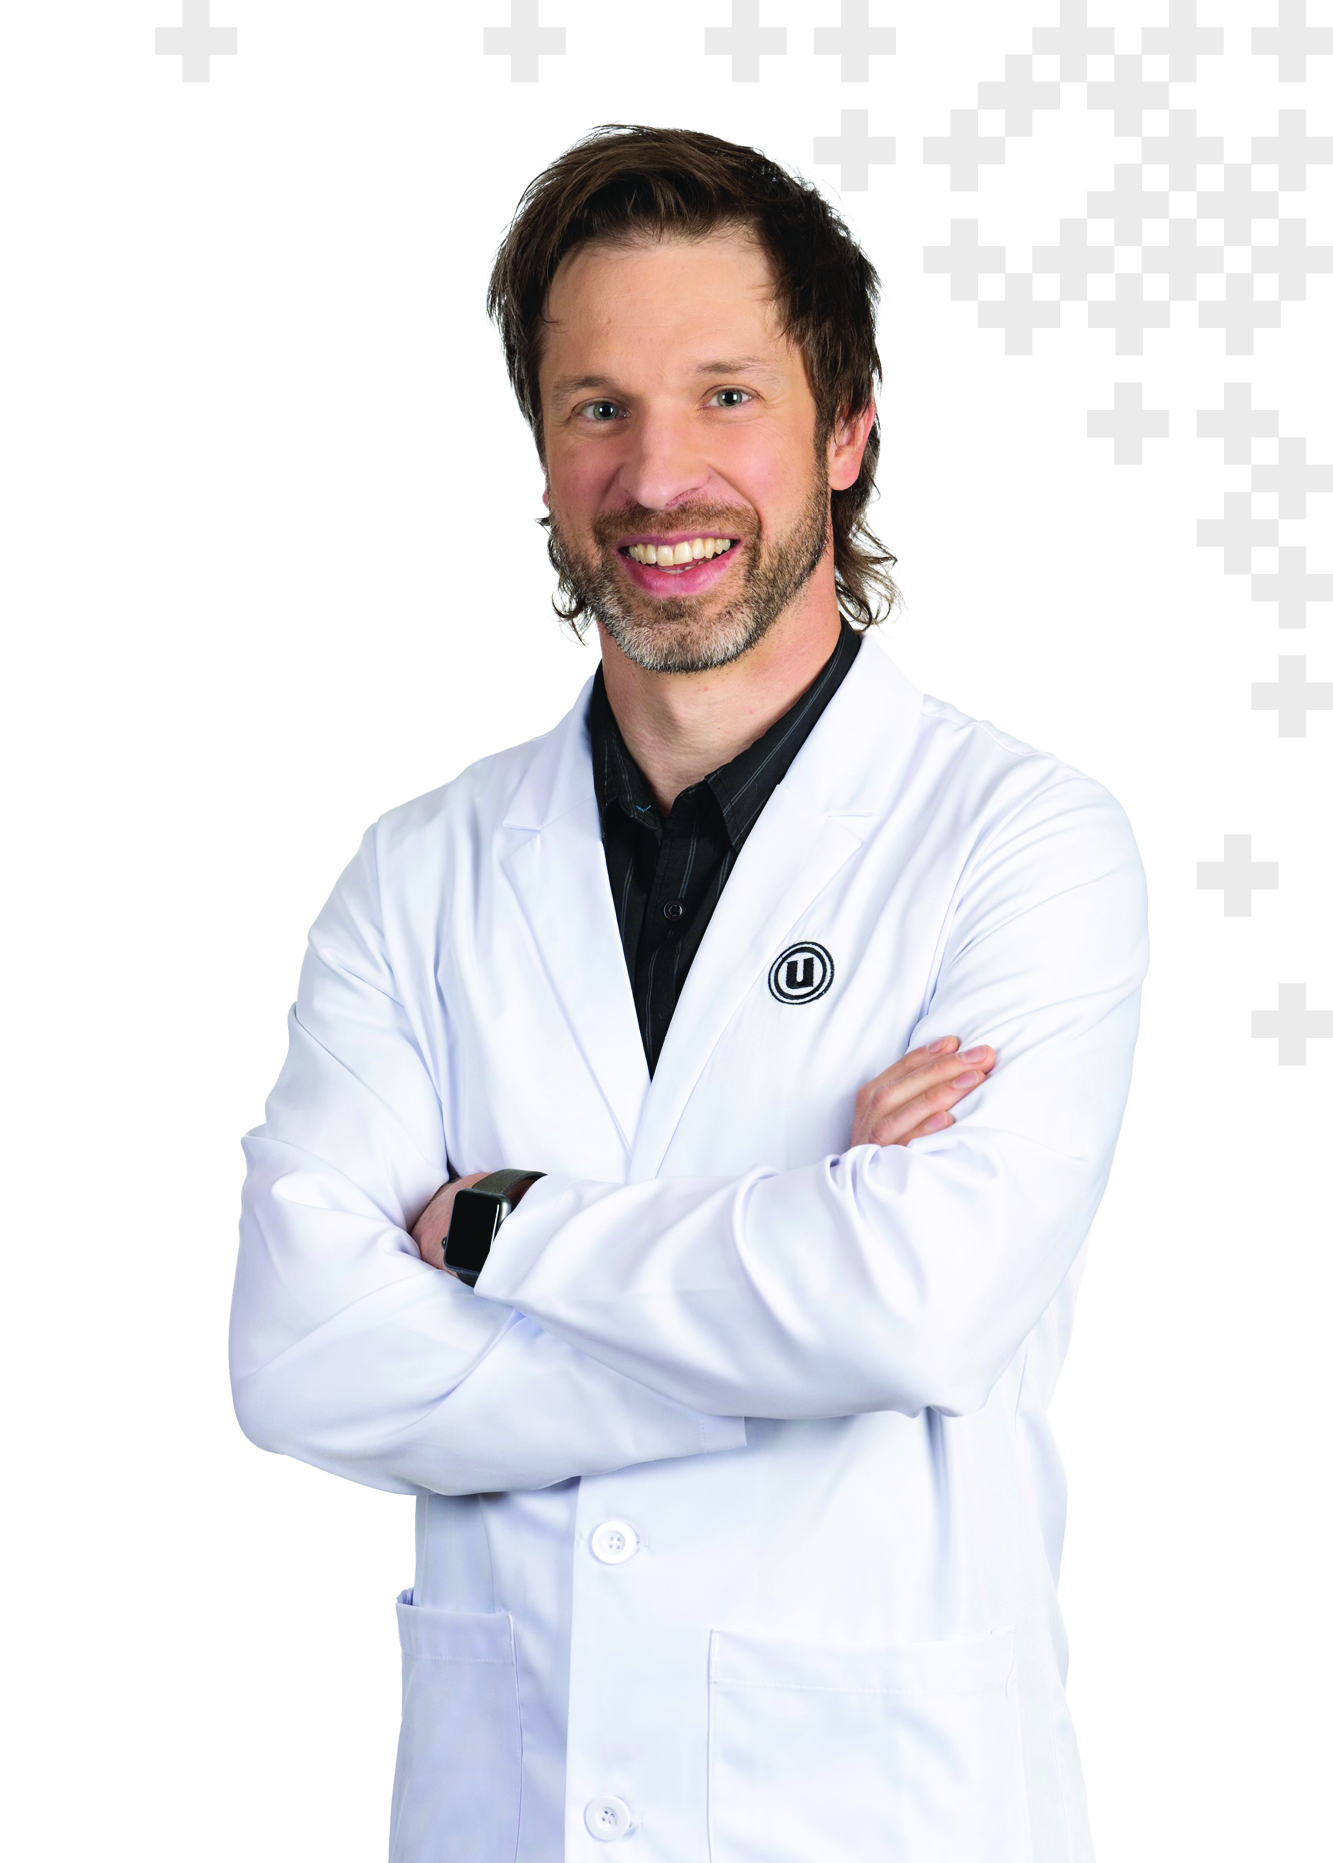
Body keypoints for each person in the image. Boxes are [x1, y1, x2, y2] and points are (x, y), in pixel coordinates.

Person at [230, 123, 1148, 1863]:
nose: (658, 478)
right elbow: (301, 1354)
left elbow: (926, 1309)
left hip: (880, 1809)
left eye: (727, 396)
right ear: (543, 445)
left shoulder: (1022, 842)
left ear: (847, 428)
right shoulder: (419, 874)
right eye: (601, 407)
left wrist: (506, 1229)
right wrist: (800, 1316)